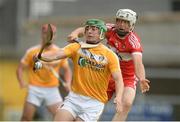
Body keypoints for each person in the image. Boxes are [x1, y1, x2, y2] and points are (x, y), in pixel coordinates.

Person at [67, 9, 150, 121]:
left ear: (132, 25)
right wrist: (75, 33)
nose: (121, 24)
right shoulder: (109, 29)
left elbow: (138, 63)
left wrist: (142, 78)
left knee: (126, 103)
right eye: (119, 21)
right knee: (92, 103)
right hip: (106, 74)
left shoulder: (133, 42)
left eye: (125, 22)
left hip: (126, 77)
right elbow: (88, 29)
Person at [34, 19, 124, 121]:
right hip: (74, 99)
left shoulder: (109, 55)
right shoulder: (76, 47)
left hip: (94, 104)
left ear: (102, 33)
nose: (89, 31)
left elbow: (118, 79)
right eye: (87, 29)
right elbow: (56, 55)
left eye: (94, 29)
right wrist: (41, 56)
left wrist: (119, 97)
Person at [16, 24, 72, 121]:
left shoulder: (59, 52)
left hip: (52, 90)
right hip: (34, 88)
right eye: (47, 34)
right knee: (26, 118)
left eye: (52, 34)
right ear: (42, 34)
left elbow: (67, 70)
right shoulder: (31, 51)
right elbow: (20, 68)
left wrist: (68, 82)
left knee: (62, 118)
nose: (49, 37)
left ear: (55, 35)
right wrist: (21, 81)